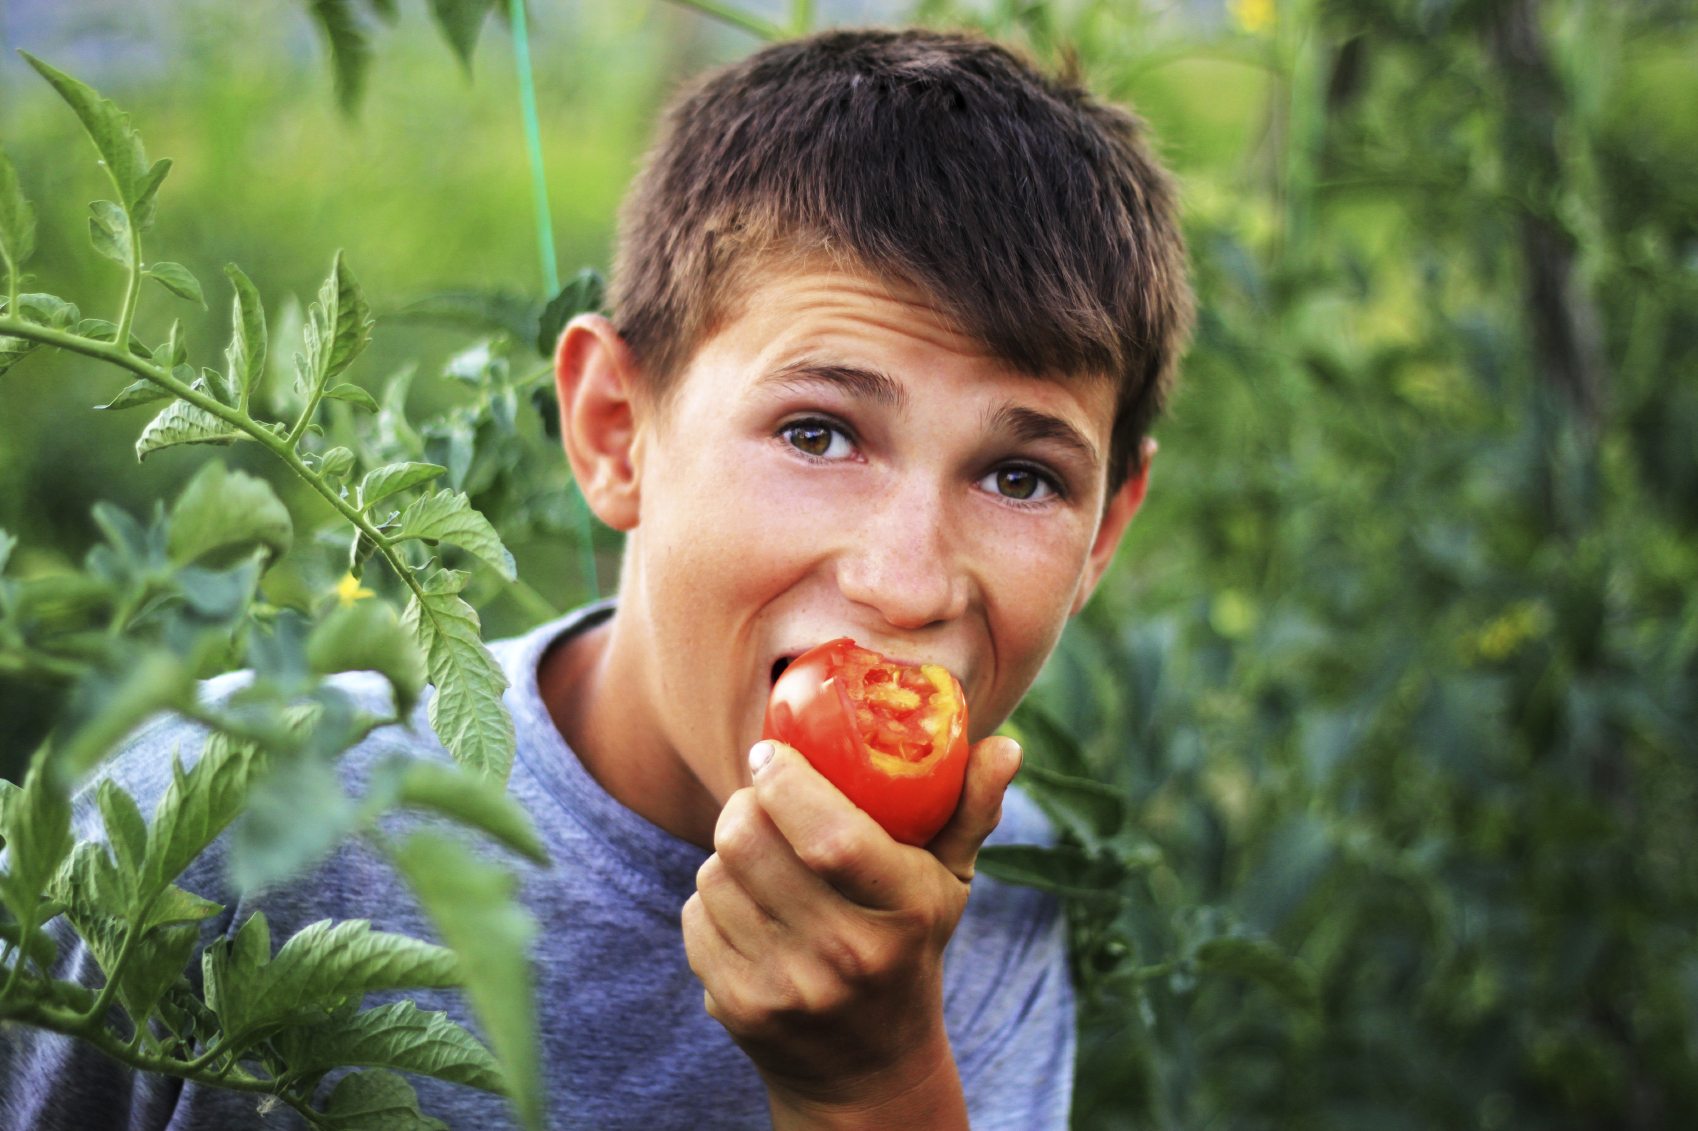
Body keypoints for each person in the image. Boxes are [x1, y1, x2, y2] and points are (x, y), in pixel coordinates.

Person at [0, 25, 1190, 1131]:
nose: (904, 582)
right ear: (617, 431)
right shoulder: (236, 828)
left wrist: (878, 1087)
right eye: (818, 433)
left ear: (1102, 534)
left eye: (1022, 477)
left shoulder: (1006, 894)